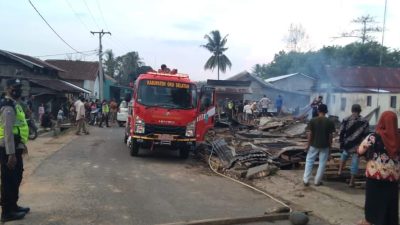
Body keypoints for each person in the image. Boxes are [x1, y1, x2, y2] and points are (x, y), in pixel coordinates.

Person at [357, 111, 400, 225]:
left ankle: (370, 221)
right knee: (389, 201)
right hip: (392, 177)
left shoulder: (374, 136)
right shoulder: (398, 138)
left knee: (373, 200)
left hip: (374, 175)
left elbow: (360, 150)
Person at [0, 79, 30, 222]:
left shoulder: (15, 104)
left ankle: (14, 206)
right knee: (9, 180)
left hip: (15, 146)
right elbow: (8, 131)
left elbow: (20, 127)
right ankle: (7, 212)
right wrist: (11, 154)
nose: (17, 90)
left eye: (19, 87)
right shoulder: (8, 106)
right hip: (8, 149)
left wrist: (22, 145)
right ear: (7, 89)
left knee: (16, 177)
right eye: (14, 88)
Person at [303, 104, 335, 186]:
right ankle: (317, 181)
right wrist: (330, 147)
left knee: (309, 161)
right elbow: (330, 136)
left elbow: (310, 134)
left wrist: (307, 144)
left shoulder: (313, 120)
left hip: (313, 145)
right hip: (325, 146)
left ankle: (306, 180)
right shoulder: (330, 122)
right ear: (326, 111)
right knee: (322, 163)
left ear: (318, 111)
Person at [337, 104, 369, 187]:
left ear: (352, 110)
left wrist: (341, 142)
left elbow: (341, 132)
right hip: (357, 145)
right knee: (354, 163)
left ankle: (340, 171)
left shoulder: (346, 119)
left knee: (344, 156)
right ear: (360, 110)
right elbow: (366, 135)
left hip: (347, 144)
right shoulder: (364, 121)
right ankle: (351, 182)